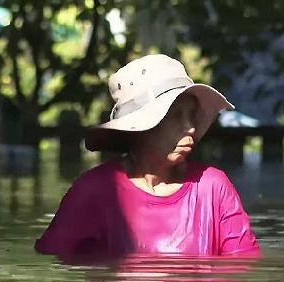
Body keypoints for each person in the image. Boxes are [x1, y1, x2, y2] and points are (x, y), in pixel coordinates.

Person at [35, 54, 259, 257]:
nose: (190, 127)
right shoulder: (94, 190)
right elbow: (51, 265)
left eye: (192, 115)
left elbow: (242, 271)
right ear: (141, 126)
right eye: (175, 116)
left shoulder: (212, 186)